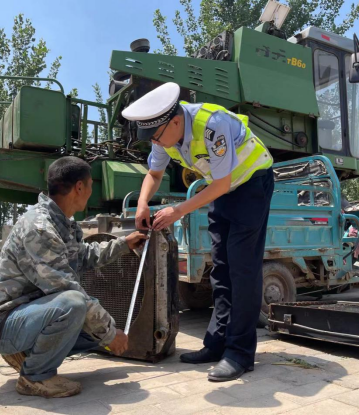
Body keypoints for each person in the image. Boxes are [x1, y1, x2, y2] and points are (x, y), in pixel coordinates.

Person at [122, 82, 274, 382]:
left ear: (175, 121)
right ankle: (217, 345)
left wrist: (178, 211)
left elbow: (220, 183)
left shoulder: (212, 126)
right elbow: (154, 173)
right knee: (221, 268)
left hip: (252, 183)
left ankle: (241, 354)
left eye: (157, 137)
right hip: (224, 189)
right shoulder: (163, 131)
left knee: (242, 270)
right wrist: (141, 204)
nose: (157, 144)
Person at [0, 156, 147, 398]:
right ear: (79, 187)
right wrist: (110, 333)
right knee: (75, 304)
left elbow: (84, 256)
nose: (91, 191)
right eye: (90, 185)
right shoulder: (40, 228)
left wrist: (123, 244)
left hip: (27, 315)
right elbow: (65, 286)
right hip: (3, 325)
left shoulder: (63, 224)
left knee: (91, 328)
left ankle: (27, 355)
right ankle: (34, 377)